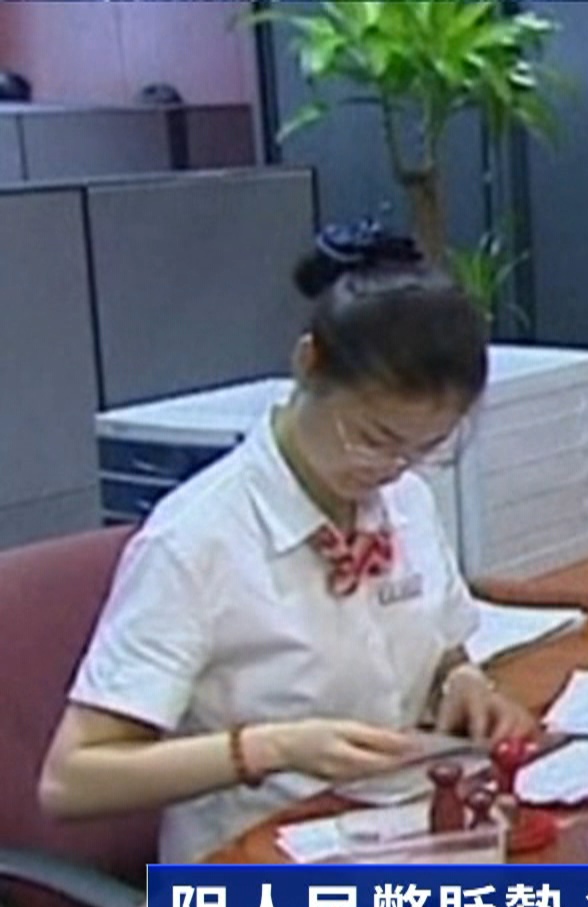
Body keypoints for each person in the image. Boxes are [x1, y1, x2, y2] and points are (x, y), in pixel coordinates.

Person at [38, 222, 537, 864]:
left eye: (426, 448)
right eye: (373, 438)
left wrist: (461, 680)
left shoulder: (403, 499)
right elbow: (71, 780)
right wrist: (272, 748)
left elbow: (436, 642)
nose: (391, 469)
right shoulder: (196, 538)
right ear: (308, 363)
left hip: (395, 829)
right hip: (255, 863)